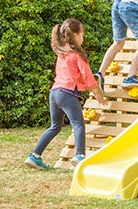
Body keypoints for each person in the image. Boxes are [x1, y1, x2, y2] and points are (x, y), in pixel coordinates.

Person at [25, 19, 108, 170]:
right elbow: (88, 76)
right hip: (67, 93)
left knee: (55, 126)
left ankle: (34, 156)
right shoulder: (77, 55)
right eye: (82, 35)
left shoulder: (62, 54)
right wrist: (97, 94)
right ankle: (80, 156)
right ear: (75, 35)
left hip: (55, 93)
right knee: (78, 124)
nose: (83, 39)